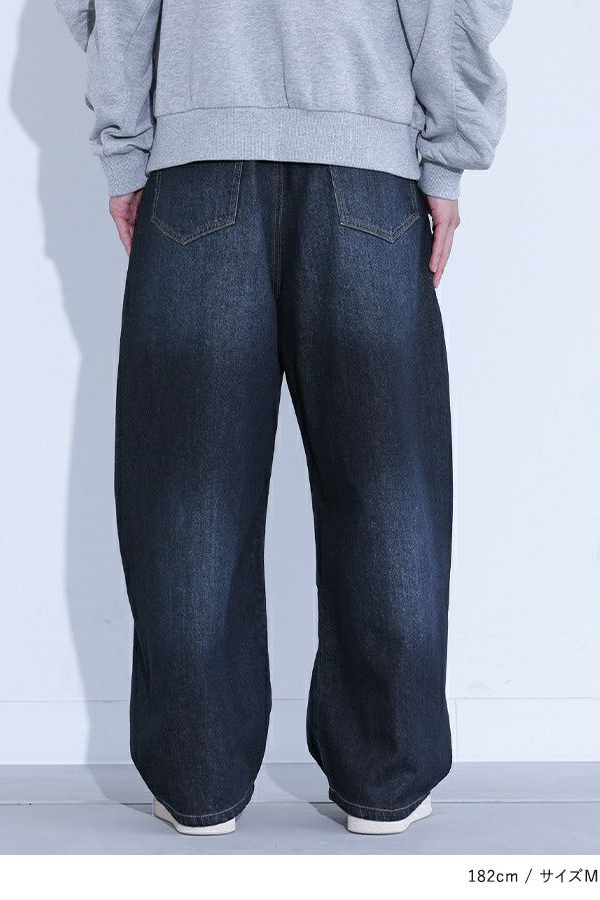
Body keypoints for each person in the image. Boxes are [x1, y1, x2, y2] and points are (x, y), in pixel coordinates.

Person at [56, 0, 511, 836]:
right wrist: (447, 159)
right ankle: (386, 779)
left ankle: (197, 781)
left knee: (189, 498)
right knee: (387, 493)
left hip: (196, 169)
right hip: (368, 173)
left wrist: (127, 148)